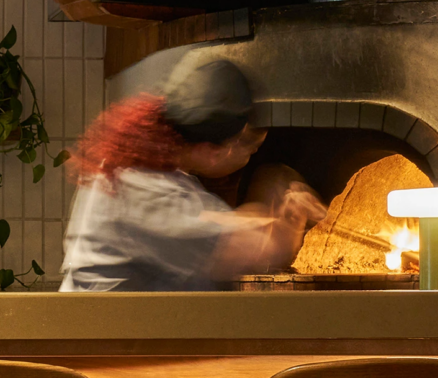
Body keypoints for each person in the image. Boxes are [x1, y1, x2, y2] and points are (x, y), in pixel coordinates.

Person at [59, 58, 324, 292]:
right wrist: (290, 218)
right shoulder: (145, 187)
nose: (245, 153)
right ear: (211, 150)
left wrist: (265, 218)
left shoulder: (144, 165)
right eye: (244, 145)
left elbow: (208, 220)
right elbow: (244, 248)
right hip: (105, 340)